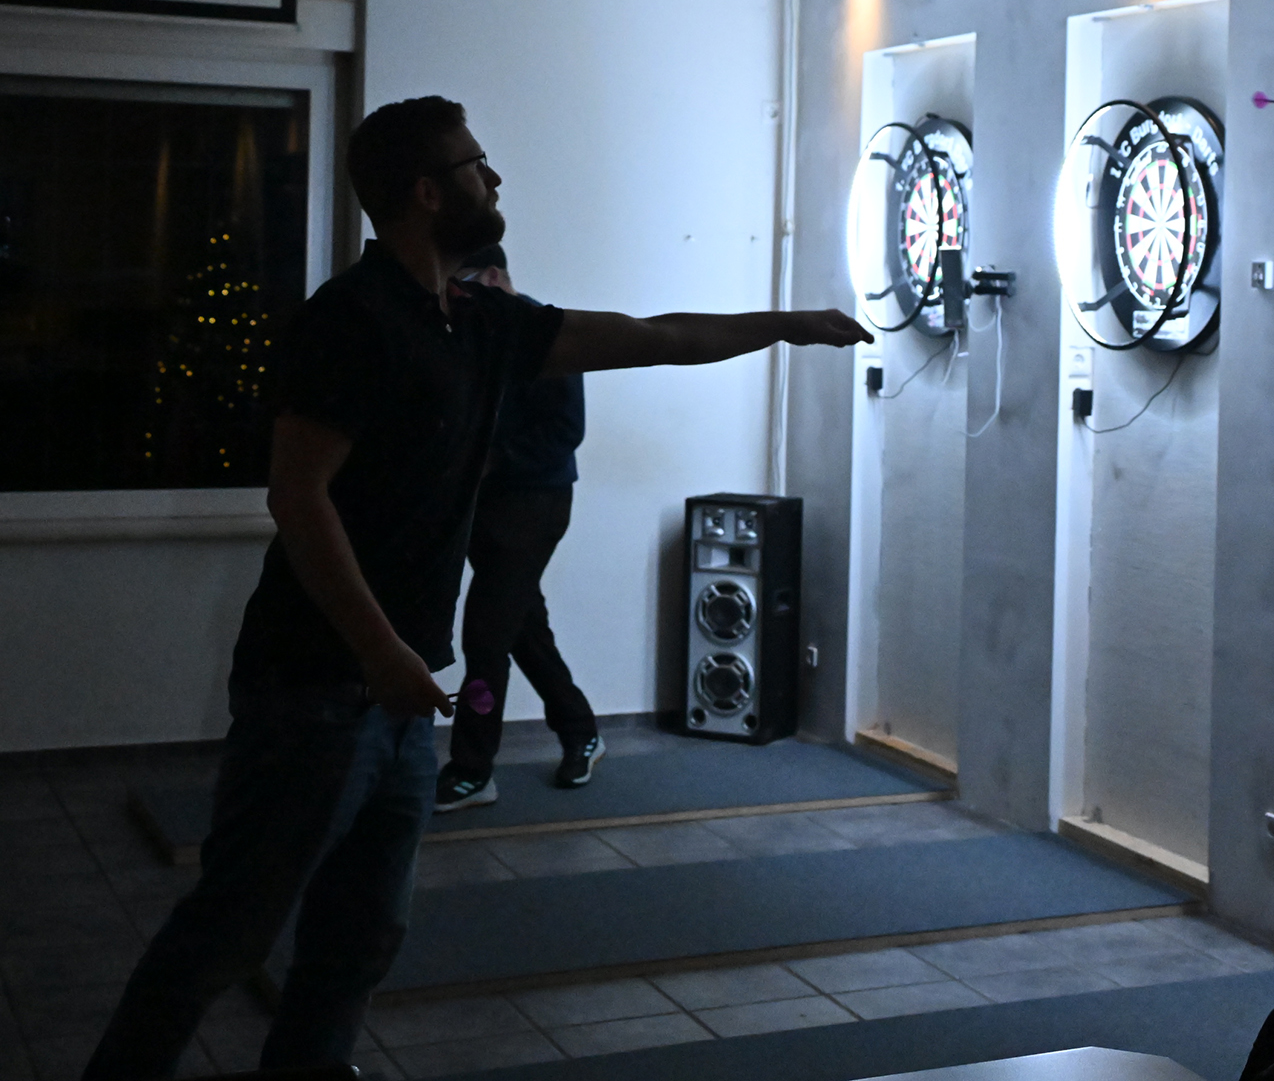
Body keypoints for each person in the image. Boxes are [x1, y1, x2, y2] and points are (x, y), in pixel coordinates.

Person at [81, 95, 870, 1079]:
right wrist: (380, 651)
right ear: (426, 192)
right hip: (312, 691)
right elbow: (298, 494)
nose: (493, 180)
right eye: (475, 164)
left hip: (401, 700)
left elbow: (654, 334)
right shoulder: (352, 321)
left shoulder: (482, 322)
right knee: (230, 932)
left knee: (362, 935)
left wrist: (788, 325)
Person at [436, 242, 599, 812]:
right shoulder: (468, 333)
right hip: (487, 505)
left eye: (462, 285)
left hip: (535, 504)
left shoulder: (545, 333)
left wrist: (490, 459)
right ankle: (581, 730)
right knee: (522, 627)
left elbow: (565, 431)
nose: (454, 297)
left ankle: (472, 769)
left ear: (494, 276)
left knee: (485, 638)